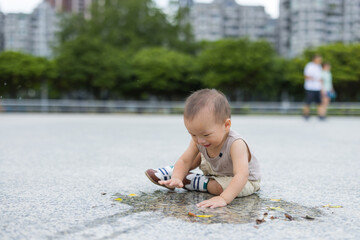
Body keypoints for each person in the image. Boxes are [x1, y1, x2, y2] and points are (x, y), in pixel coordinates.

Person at [145, 89, 261, 209]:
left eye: (206, 135)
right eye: (193, 134)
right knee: (194, 156)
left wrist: (223, 198)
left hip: (244, 181)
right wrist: (176, 178)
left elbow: (241, 175)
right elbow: (184, 160)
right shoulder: (201, 141)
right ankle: (176, 173)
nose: (200, 140)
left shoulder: (236, 144)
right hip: (216, 170)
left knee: (219, 188)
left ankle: (194, 181)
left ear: (226, 125)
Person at [303, 55, 325, 120]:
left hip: (317, 87)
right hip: (310, 87)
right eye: (319, 59)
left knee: (319, 102)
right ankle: (306, 115)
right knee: (308, 102)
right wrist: (315, 78)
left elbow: (320, 78)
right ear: (315, 59)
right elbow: (306, 76)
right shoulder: (309, 66)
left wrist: (322, 87)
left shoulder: (319, 67)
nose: (320, 61)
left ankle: (321, 115)